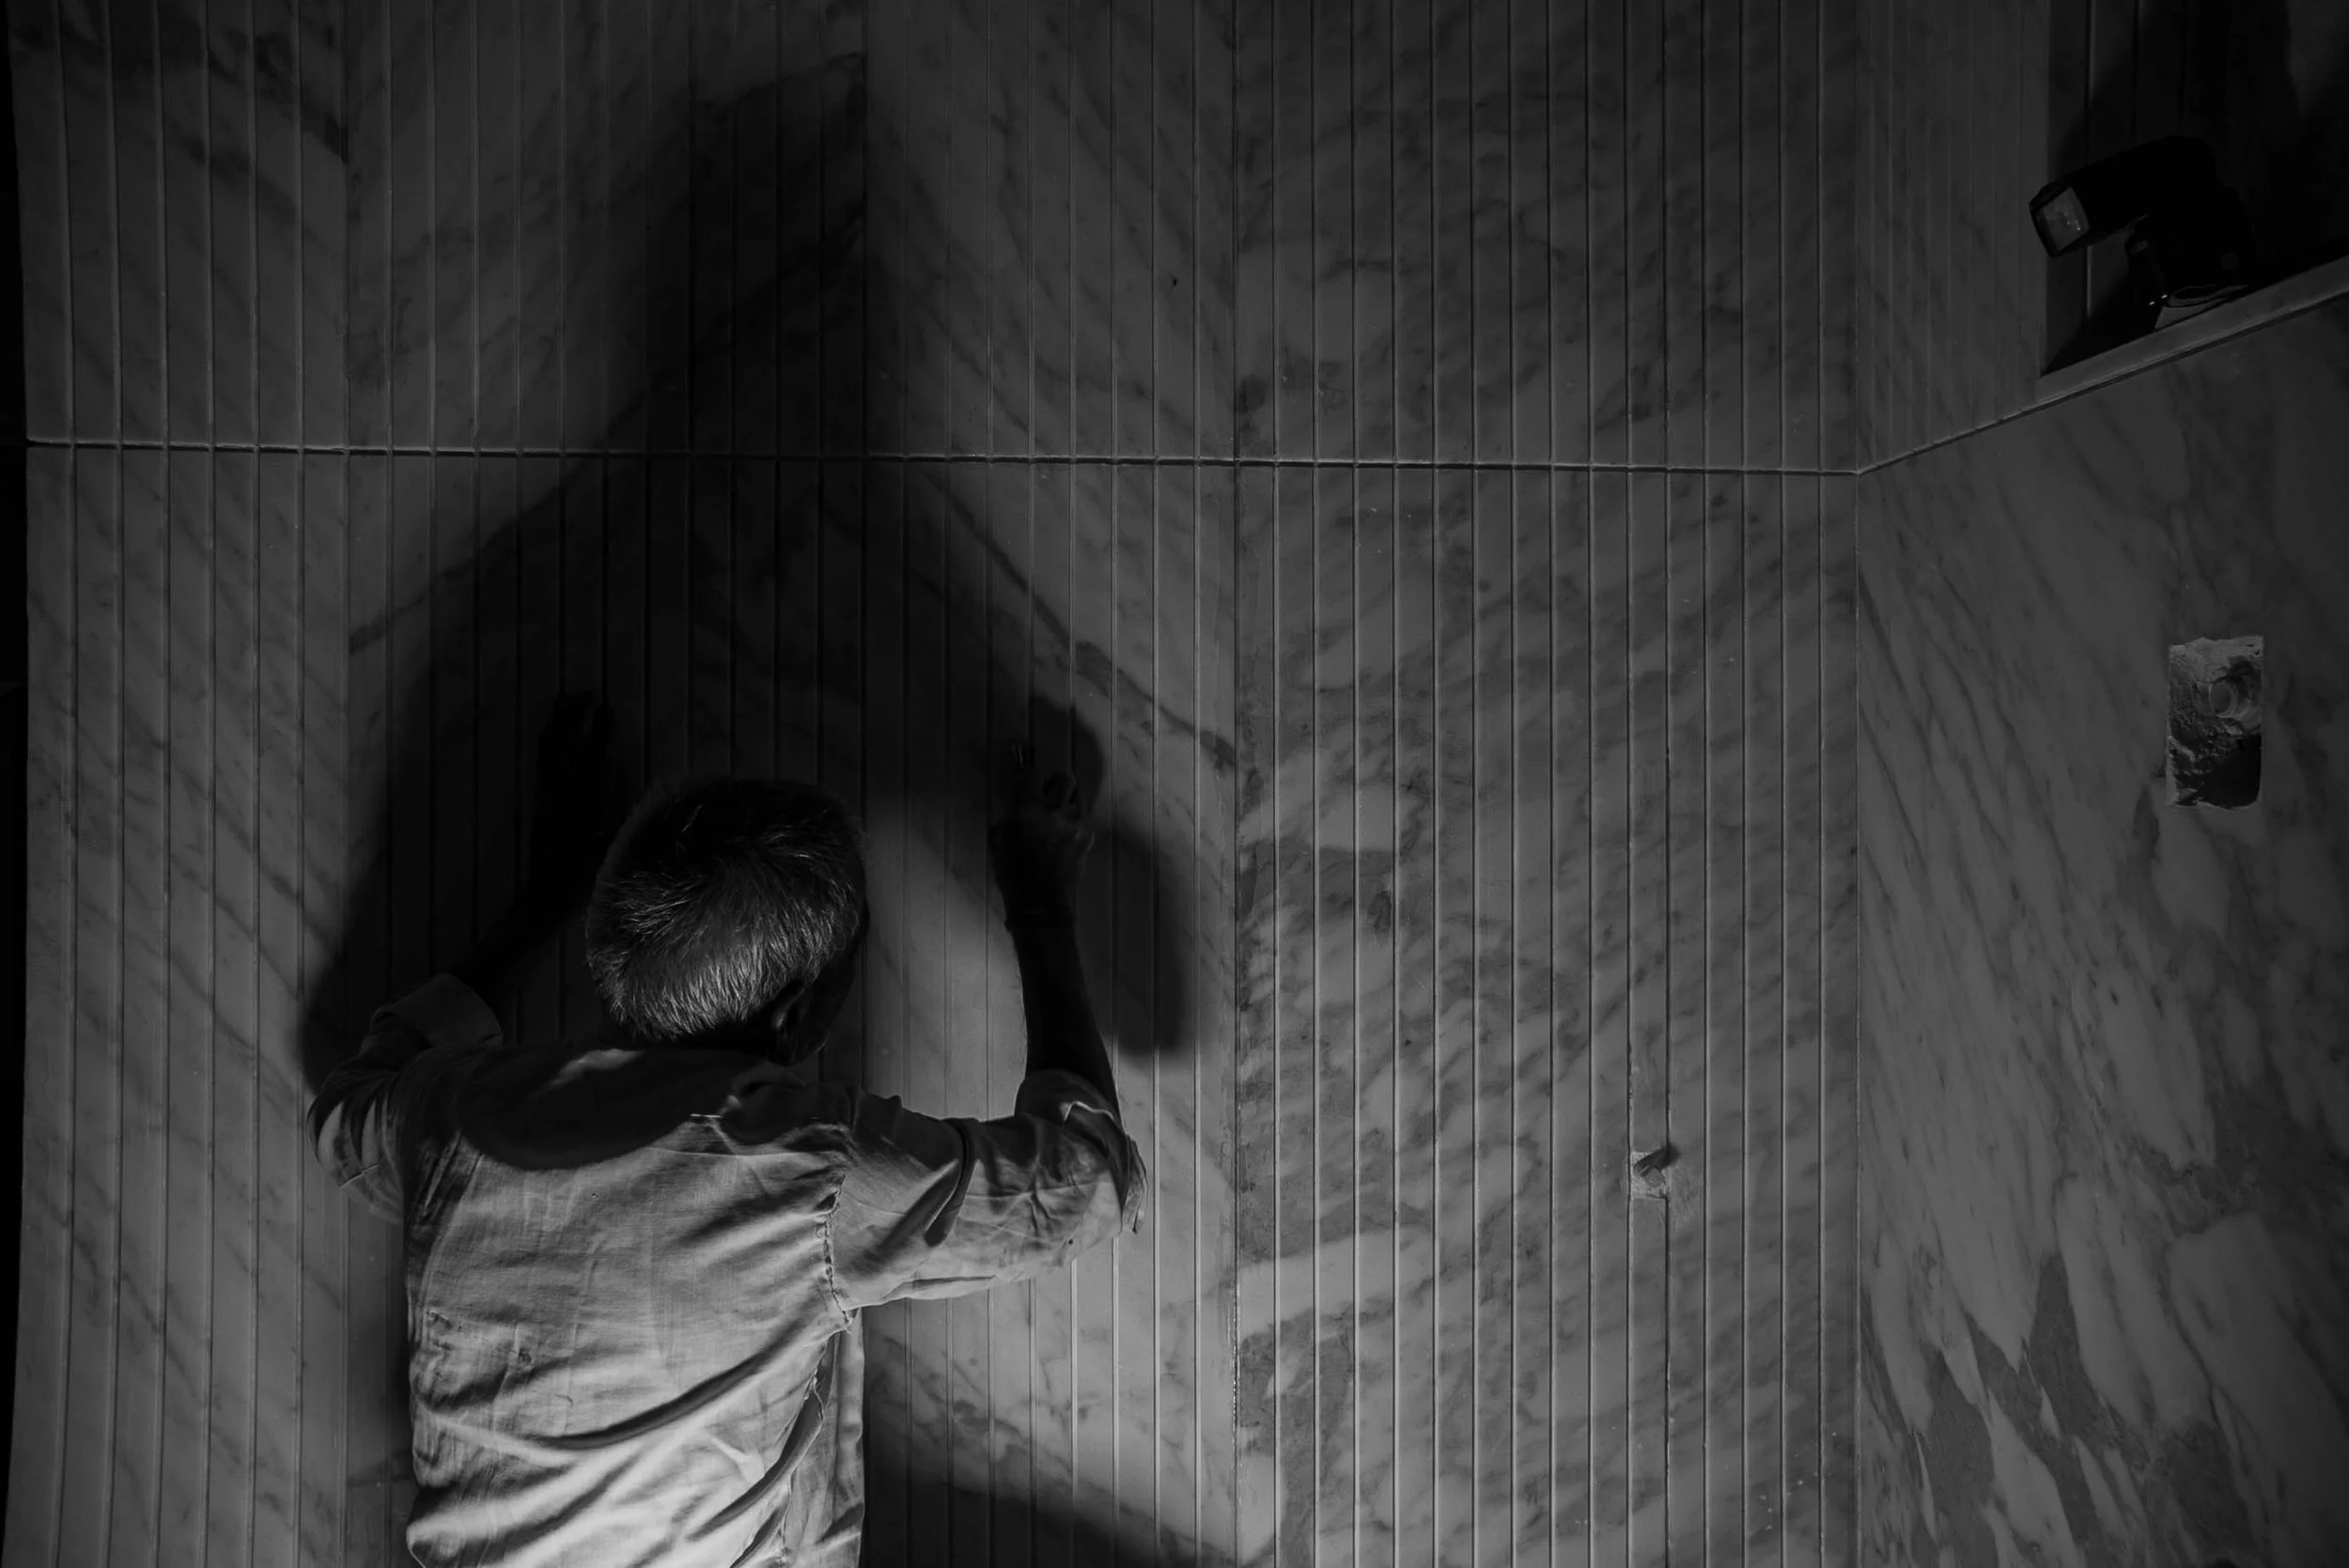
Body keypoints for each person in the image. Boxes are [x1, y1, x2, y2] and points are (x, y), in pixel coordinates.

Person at [306, 696, 1145, 1567]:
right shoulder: (814, 1171)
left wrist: (541, 898)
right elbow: (1087, 1181)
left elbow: (346, 1105)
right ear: (802, 1009)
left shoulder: (450, 1110)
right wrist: (1041, 908)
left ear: (604, 947)